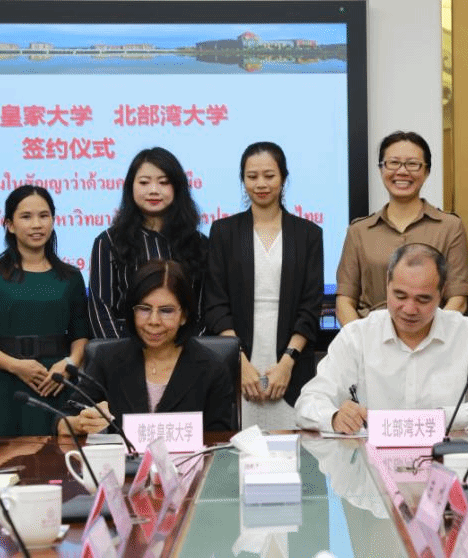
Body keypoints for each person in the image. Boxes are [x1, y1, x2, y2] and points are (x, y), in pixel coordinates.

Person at [296, 243, 468, 434]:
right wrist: (334, 417)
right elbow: (308, 403)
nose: (409, 309)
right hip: (372, 467)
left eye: (423, 299)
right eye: (400, 296)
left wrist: (441, 418)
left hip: (446, 464)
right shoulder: (356, 336)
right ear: (387, 283)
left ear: (442, 292)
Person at [203, 142, 323, 430]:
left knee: (292, 445)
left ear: (283, 178)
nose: (260, 184)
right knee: (238, 446)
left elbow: (311, 305)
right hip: (239, 353)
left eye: (269, 176)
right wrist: (239, 362)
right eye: (252, 176)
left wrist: (287, 362)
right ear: (242, 179)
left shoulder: (308, 234)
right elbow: (216, 303)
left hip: (290, 356)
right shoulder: (224, 232)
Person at [0, 185, 89, 437]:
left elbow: (81, 335)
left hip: (56, 382)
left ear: (53, 220)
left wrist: (70, 363)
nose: (37, 224)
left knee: (60, 455)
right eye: (26, 217)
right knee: (3, 456)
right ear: (10, 225)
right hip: (7, 382)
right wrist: (15, 366)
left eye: (44, 216)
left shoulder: (71, 276)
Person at [61, 259, 234, 435]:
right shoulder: (107, 360)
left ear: (184, 316)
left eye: (166, 311)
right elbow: (62, 421)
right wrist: (80, 423)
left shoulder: (212, 368)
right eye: (144, 309)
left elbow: (221, 441)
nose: (154, 321)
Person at [335, 131, 468, 326]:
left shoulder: (450, 227)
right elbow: (344, 302)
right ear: (381, 169)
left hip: (432, 337)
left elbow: (458, 300)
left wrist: (426, 337)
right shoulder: (359, 231)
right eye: (393, 163)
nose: (402, 171)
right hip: (372, 337)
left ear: (427, 171)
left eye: (412, 164)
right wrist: (363, 340)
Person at [89, 147, 208, 340]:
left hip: (187, 351)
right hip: (124, 349)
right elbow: (100, 310)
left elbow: (204, 311)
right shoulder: (109, 241)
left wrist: (189, 352)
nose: (153, 190)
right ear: (131, 187)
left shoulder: (199, 243)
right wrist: (119, 353)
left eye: (163, 182)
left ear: (177, 188)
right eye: (144, 182)